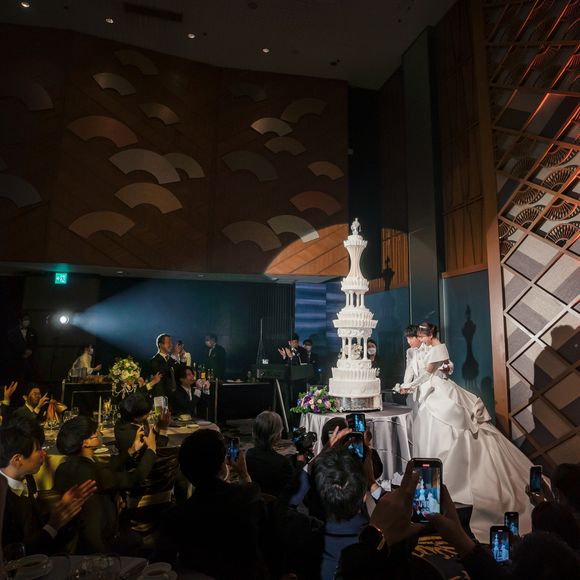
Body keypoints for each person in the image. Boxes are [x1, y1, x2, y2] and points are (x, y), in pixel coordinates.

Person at [401, 322, 534, 541]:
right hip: (424, 396)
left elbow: (431, 372)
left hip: (438, 393)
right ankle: (428, 481)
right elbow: (415, 370)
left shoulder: (438, 348)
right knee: (428, 435)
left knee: (451, 432)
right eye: (417, 336)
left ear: (430, 335)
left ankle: (451, 481)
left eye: (420, 336)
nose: (417, 339)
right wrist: (406, 385)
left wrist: (415, 384)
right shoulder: (417, 351)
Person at [155, 429, 268, 579]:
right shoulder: (248, 496)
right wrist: (244, 474)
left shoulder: (174, 518)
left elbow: (160, 563)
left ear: (185, 471)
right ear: (222, 465)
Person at [54, 416, 157, 554]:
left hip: (73, 540)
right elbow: (135, 478)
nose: (100, 434)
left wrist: (131, 450)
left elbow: (105, 470)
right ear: (86, 443)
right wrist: (151, 449)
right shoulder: (92, 473)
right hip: (99, 546)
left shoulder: (63, 468)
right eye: (95, 433)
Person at [0, 417, 96, 554]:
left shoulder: (27, 478)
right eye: (38, 449)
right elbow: (18, 553)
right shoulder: (4, 499)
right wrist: (54, 524)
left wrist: (63, 511)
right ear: (17, 460)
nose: (44, 453)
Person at [246, 411, 294, 498]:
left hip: (254, 500)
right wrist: (301, 463)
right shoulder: (282, 462)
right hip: (274, 502)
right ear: (277, 435)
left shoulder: (249, 454)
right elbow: (292, 488)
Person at [114, 393, 169, 460]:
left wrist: (158, 426)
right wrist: (163, 429)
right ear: (136, 418)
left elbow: (150, 437)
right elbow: (155, 453)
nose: (149, 413)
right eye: (147, 413)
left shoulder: (121, 422)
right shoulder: (135, 434)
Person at [4, 312, 37, 385]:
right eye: (25, 319)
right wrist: (22, 353)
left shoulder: (33, 331)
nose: (27, 321)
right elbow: (11, 346)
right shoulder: (12, 332)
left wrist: (30, 351)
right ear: (20, 320)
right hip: (16, 361)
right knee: (16, 381)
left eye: (28, 319)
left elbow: (35, 343)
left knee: (29, 380)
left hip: (29, 361)